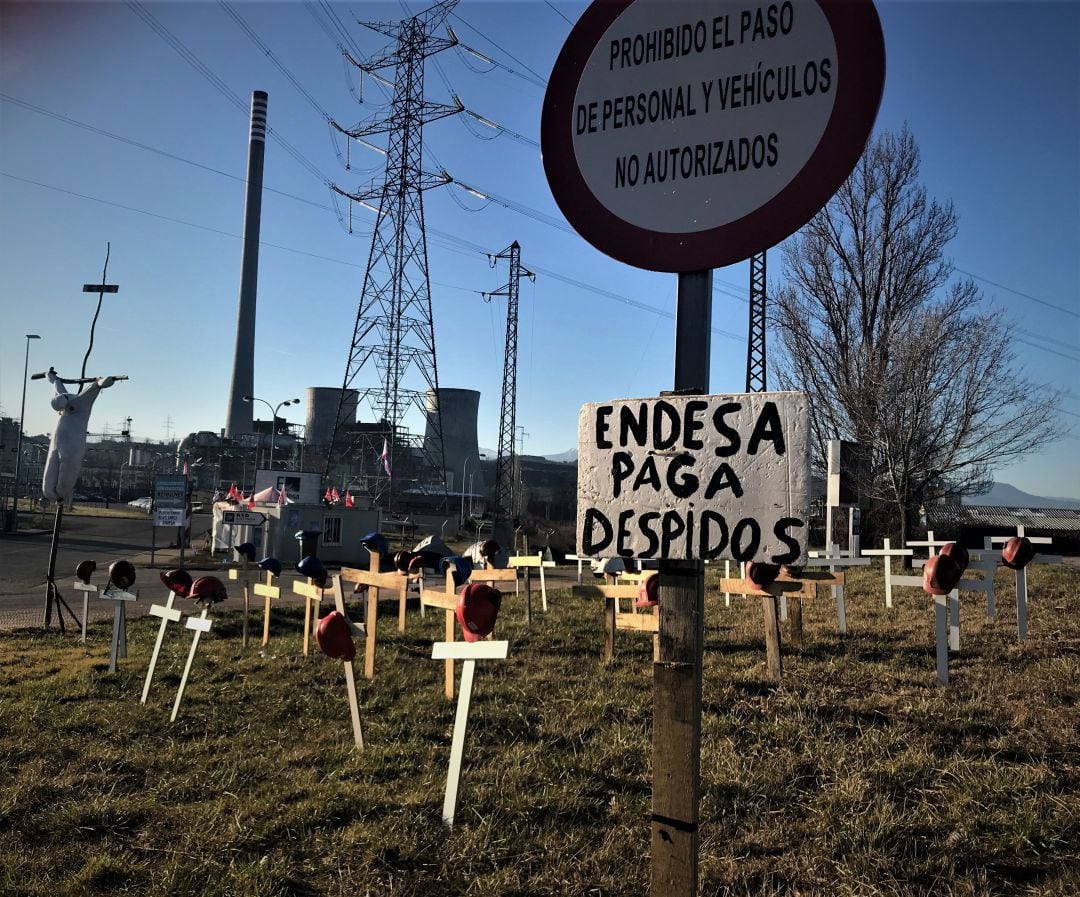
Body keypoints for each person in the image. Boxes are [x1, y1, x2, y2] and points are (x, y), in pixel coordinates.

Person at [42, 368, 116, 509]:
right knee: (52, 462)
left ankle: (60, 493)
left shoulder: (81, 403)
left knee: (68, 463)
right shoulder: (61, 401)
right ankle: (51, 492)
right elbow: (57, 386)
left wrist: (101, 382)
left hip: (72, 443)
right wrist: (52, 378)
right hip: (58, 440)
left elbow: (94, 388)